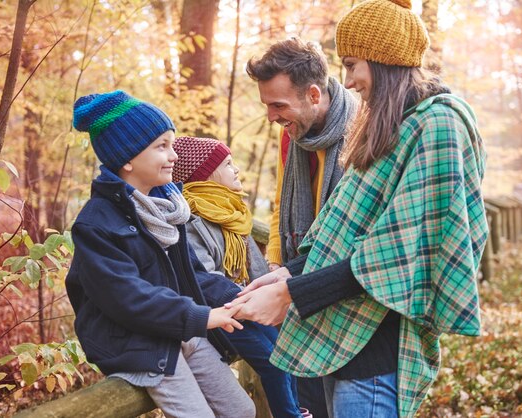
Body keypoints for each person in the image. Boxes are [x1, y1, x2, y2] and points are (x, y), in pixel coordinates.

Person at [229, 1, 489, 417]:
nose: (347, 81)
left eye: (352, 65)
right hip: (339, 338)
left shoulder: (438, 125)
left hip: (376, 354)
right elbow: (340, 235)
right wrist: (284, 274)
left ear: (385, 60)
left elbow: (396, 252)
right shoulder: (386, 127)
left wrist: (291, 292)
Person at [66, 90, 255, 418]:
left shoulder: (168, 209)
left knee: (242, 410)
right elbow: (126, 297)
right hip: (135, 341)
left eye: (172, 144)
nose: (174, 156)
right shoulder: (96, 224)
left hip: (175, 328)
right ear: (127, 158)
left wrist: (243, 297)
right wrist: (200, 317)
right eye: (161, 146)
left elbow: (192, 276)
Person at [246, 37, 358, 418]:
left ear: (313, 94)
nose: (272, 116)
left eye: (278, 105)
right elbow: (282, 208)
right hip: (301, 283)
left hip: (345, 291)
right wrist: (277, 266)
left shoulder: (363, 129)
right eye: (267, 106)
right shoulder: (291, 136)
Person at [172, 136, 304, 418]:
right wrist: (247, 299)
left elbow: (252, 264)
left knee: (287, 350)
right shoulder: (191, 219)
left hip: (247, 304)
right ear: (206, 176)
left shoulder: (232, 212)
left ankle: (296, 409)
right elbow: (204, 278)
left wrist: (269, 284)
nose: (237, 170)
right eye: (228, 164)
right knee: (272, 362)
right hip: (222, 313)